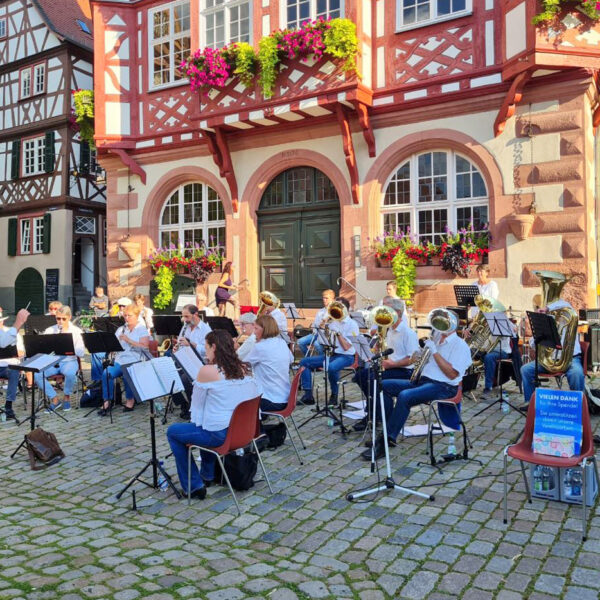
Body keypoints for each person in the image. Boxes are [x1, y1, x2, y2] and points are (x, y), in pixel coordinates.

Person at [363, 309, 471, 460]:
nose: (438, 328)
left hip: (444, 387)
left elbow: (452, 374)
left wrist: (434, 352)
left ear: (453, 326)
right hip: (424, 381)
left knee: (405, 395)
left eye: (443, 324)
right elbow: (423, 361)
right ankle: (389, 429)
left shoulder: (460, 346)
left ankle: (386, 441)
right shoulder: (436, 339)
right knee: (382, 385)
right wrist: (420, 355)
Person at [166, 330, 259, 499]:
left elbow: (196, 410)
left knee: (174, 432)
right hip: (244, 434)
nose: (206, 352)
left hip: (222, 436)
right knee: (208, 424)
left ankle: (194, 486)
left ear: (214, 347)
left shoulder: (207, 371)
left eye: (207, 347)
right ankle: (207, 474)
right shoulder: (244, 369)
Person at [353, 297, 419, 431]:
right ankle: (375, 411)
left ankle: (383, 417)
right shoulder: (388, 330)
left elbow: (413, 359)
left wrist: (392, 364)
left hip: (405, 371)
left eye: (388, 311)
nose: (384, 314)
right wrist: (378, 349)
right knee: (360, 376)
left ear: (398, 312)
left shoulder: (408, 333)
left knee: (374, 380)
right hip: (390, 366)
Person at [520, 298, 584, 409]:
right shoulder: (546, 323)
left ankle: (579, 408)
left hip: (570, 359)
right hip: (550, 361)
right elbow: (533, 344)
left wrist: (547, 308)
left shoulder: (566, 317)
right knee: (525, 370)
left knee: (576, 373)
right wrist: (538, 337)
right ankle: (530, 403)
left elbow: (565, 303)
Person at [299, 297, 358, 406]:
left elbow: (346, 347)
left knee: (331, 367)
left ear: (345, 308)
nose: (336, 309)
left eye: (339, 307)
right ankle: (308, 395)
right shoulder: (334, 321)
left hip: (346, 356)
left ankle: (334, 395)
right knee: (304, 362)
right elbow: (321, 338)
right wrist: (323, 322)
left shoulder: (352, 324)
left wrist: (338, 334)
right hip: (331, 354)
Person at [98, 304, 150, 416]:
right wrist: (111, 347)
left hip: (135, 360)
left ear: (136, 316)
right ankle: (107, 401)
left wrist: (129, 340)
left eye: (129, 315)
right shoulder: (121, 329)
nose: (127, 318)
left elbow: (145, 347)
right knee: (106, 373)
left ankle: (130, 400)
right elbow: (114, 344)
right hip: (120, 359)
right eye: (125, 315)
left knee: (127, 374)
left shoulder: (141, 329)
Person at [34, 306, 85, 412]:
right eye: (58, 318)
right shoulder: (50, 330)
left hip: (69, 361)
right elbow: (43, 349)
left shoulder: (76, 331)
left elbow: (81, 352)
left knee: (70, 373)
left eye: (64, 319)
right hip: (53, 362)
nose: (60, 321)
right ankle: (55, 399)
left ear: (69, 317)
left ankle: (67, 397)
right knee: (37, 374)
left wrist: (67, 345)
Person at [244, 315, 294, 412]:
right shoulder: (282, 342)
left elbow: (244, 362)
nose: (254, 332)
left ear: (264, 330)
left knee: (238, 397)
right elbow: (291, 359)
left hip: (270, 399)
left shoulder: (260, 347)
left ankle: (252, 425)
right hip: (285, 397)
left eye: (256, 328)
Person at [0, 308, 29, 421]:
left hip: (9, 365)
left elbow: (22, 352)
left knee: (14, 371)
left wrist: (15, 353)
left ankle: (8, 405)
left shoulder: (12, 332)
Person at [297, 289, 335, 356]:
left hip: (326, 336)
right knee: (300, 342)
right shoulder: (320, 311)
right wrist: (314, 327)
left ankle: (322, 361)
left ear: (332, 299)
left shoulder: (334, 311)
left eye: (326, 298)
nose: (324, 300)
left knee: (317, 344)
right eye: (323, 298)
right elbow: (315, 324)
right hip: (316, 334)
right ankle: (309, 359)